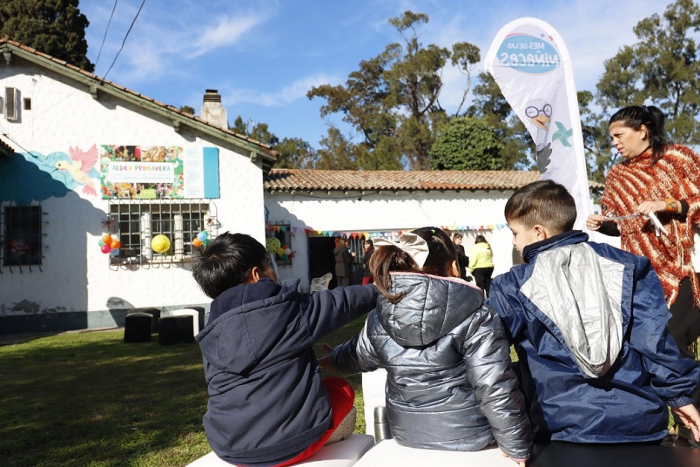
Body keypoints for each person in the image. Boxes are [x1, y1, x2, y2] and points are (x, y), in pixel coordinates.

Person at [487, 179, 700, 445]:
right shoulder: (627, 266)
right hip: (639, 422)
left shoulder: (512, 285)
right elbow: (653, 340)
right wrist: (678, 397)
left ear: (538, 232)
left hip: (559, 428)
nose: (514, 242)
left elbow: (487, 357)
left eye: (515, 233)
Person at [321, 228, 532, 465]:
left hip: (407, 434)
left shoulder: (380, 317)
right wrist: (517, 446)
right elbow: (493, 384)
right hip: (470, 435)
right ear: (454, 267)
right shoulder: (477, 315)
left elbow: (358, 354)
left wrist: (332, 358)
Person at [191, 232, 378, 466]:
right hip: (295, 442)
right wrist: (377, 290)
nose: (274, 272)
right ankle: (326, 435)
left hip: (230, 448)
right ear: (257, 274)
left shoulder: (212, 329)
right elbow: (342, 302)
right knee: (341, 388)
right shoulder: (285, 309)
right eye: (269, 265)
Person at [586, 105, 700, 446]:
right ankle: (674, 424)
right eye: (611, 138)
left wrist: (667, 204)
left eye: (619, 136)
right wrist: (601, 224)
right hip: (641, 273)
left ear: (643, 130)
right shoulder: (617, 175)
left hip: (682, 268)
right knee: (649, 346)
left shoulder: (679, 159)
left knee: (672, 342)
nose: (615, 143)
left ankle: (691, 420)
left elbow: (695, 203)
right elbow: (620, 224)